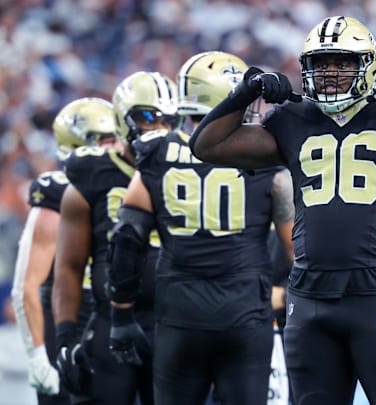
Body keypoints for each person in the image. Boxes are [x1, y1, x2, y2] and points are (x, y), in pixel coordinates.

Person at [190, 15, 376, 405]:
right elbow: (207, 146)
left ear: (368, 65)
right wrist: (246, 92)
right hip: (310, 296)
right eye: (321, 63)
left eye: (342, 62)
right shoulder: (292, 119)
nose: (330, 73)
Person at [105, 51, 294, 405]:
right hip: (245, 318)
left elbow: (128, 240)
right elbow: (298, 252)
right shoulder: (266, 155)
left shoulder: (156, 151)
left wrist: (120, 313)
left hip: (180, 317)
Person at [52, 71, 179, 404]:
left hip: (176, 323)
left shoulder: (190, 167)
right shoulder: (93, 172)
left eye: (168, 118)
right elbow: (69, 265)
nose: (158, 127)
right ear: (122, 119)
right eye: (147, 116)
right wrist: (66, 335)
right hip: (110, 322)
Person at [11, 98, 116, 404]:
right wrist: (37, 356)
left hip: (111, 327)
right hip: (70, 327)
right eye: (106, 139)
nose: (116, 146)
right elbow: (26, 287)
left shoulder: (128, 186)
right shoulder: (56, 196)